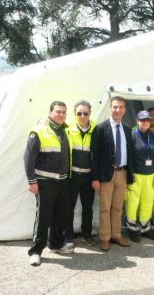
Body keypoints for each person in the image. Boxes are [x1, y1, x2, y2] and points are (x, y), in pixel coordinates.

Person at [24, 101, 73, 267]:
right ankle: (36, 251)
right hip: (45, 182)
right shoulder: (38, 131)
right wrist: (32, 182)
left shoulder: (66, 130)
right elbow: (28, 158)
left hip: (63, 181)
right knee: (44, 217)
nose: (61, 115)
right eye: (58, 112)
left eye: (63, 112)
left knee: (60, 215)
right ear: (50, 112)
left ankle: (56, 244)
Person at [91, 96, 133, 251]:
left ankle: (116, 235)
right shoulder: (100, 128)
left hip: (122, 173)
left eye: (121, 107)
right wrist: (95, 178)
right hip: (105, 175)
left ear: (125, 110)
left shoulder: (128, 130)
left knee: (118, 207)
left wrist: (130, 175)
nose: (118, 110)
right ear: (110, 109)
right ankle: (105, 237)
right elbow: (94, 155)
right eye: (115, 107)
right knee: (105, 208)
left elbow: (131, 154)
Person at [126, 110, 154, 242]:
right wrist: (129, 175)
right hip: (135, 175)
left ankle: (145, 228)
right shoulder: (132, 135)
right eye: (142, 120)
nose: (145, 122)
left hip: (150, 175)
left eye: (148, 120)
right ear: (137, 121)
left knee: (147, 202)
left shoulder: (153, 136)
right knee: (133, 203)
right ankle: (132, 228)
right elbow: (128, 157)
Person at [64, 100, 96, 248]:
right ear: (74, 114)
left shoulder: (97, 130)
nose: (82, 116)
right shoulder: (68, 129)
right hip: (72, 175)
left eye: (85, 113)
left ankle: (87, 235)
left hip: (89, 176)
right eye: (79, 113)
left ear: (90, 113)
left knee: (88, 207)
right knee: (68, 207)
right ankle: (68, 237)